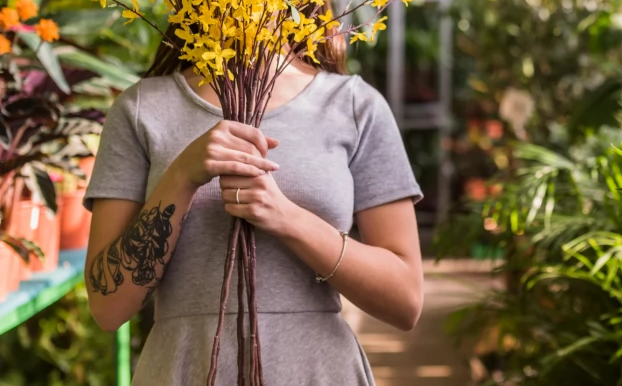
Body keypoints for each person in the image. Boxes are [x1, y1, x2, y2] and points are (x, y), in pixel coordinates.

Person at [83, 32, 424, 385]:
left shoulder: (353, 105)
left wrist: (288, 219)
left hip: (318, 373)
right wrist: (181, 176)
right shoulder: (141, 108)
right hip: (184, 370)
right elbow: (107, 308)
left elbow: (405, 300)